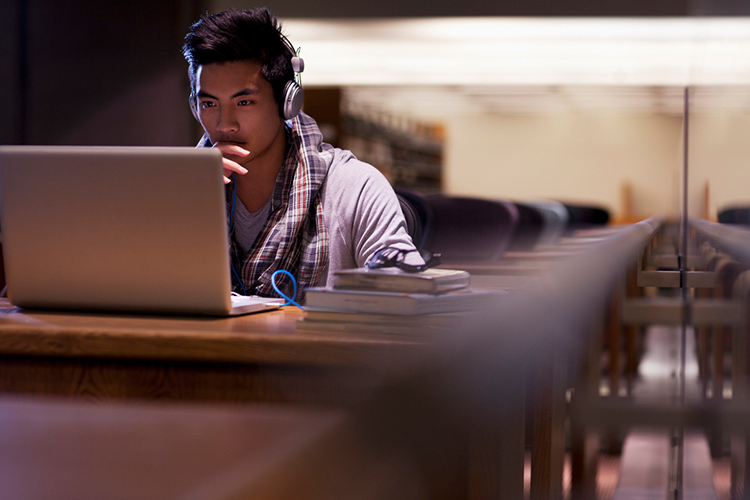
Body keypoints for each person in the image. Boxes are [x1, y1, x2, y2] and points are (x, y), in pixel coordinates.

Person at [182, 7, 420, 300]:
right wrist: (189, 198)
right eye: (209, 104)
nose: (224, 124)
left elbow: (405, 294)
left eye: (244, 102)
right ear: (195, 107)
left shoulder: (355, 188)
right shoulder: (181, 190)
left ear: (287, 103)